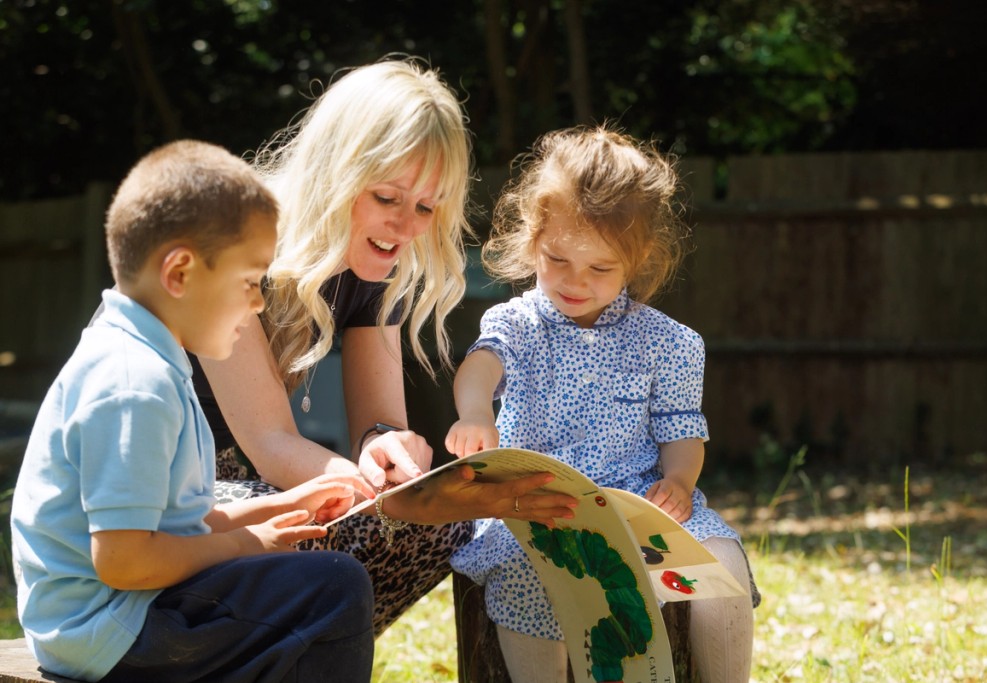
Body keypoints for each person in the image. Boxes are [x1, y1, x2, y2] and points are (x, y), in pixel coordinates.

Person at [194, 56, 578, 635]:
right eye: (388, 197)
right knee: (336, 526)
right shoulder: (229, 242)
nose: (405, 226)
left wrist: (391, 456)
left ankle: (293, 662)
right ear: (335, 172)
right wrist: (386, 492)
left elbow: (377, 424)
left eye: (426, 207)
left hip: (246, 483)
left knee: (439, 527)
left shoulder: (375, 266)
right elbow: (271, 442)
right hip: (147, 498)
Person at [10, 140, 375, 682]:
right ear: (179, 273)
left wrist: (278, 508)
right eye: (251, 283)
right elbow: (125, 560)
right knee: (334, 588)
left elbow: (169, 523)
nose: (258, 305)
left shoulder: (144, 357)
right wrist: (246, 544)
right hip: (111, 627)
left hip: (113, 616)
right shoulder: (136, 384)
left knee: (310, 582)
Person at [445, 125, 761, 683]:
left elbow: (682, 429)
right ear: (533, 240)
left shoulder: (668, 342)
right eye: (558, 258)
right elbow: (482, 364)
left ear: (636, 262)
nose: (574, 281)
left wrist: (680, 483)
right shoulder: (517, 324)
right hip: (538, 512)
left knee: (723, 569)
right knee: (529, 576)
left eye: (600, 268)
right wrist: (474, 412)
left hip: (637, 508)